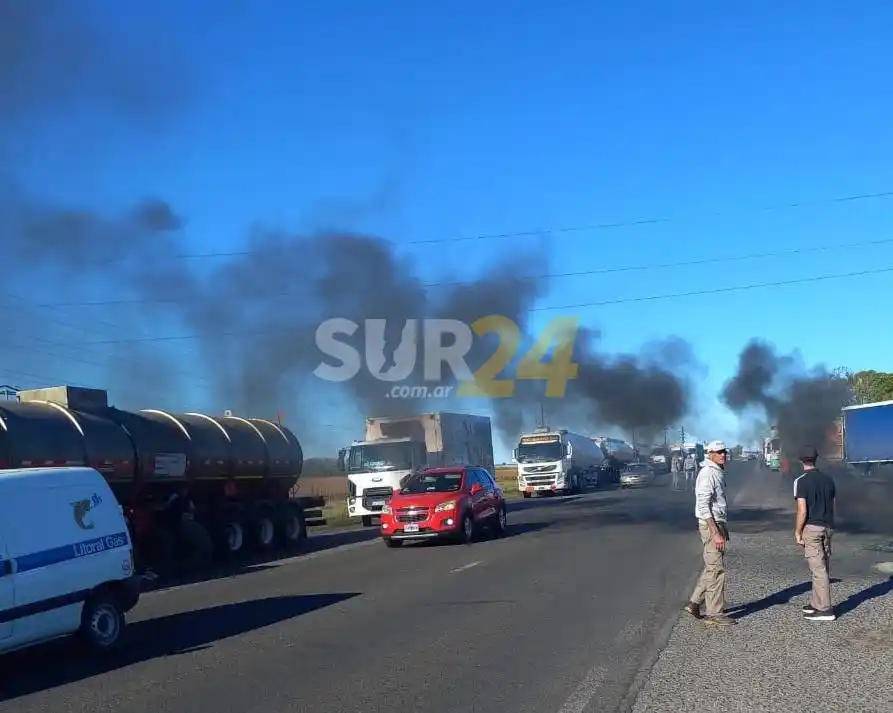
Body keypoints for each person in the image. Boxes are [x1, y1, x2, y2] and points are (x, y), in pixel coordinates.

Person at [683, 440, 735, 626]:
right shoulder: (707, 474)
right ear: (710, 454)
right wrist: (715, 532)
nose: (723, 455)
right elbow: (703, 506)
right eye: (719, 452)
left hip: (718, 523)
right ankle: (714, 613)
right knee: (716, 569)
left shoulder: (716, 472)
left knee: (712, 566)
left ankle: (694, 603)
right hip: (711, 525)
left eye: (724, 451)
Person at [793, 445, 836, 621]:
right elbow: (833, 504)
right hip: (827, 526)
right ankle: (816, 603)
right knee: (822, 566)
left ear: (801, 460)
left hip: (812, 528)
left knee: (817, 569)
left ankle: (825, 610)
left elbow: (802, 510)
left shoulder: (801, 481)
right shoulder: (829, 480)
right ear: (816, 458)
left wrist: (798, 531)